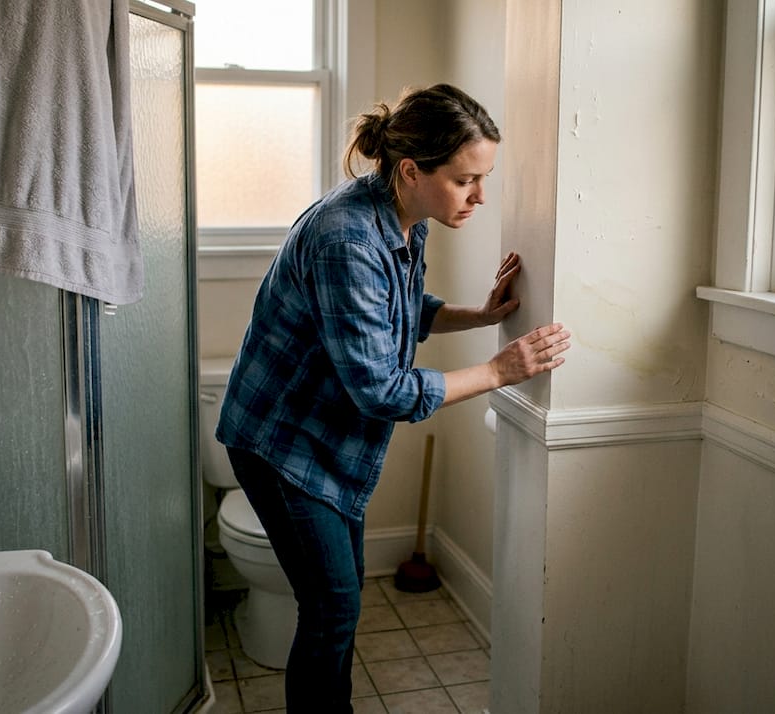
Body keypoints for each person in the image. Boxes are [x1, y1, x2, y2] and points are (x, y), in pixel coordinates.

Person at [215, 83, 570, 711]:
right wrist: (499, 369)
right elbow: (381, 389)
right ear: (412, 169)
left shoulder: (401, 216)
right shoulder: (347, 240)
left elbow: (397, 311)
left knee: (338, 606)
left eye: (483, 178)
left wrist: (481, 314)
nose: (480, 196)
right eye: (467, 180)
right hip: (281, 444)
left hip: (326, 441)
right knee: (332, 609)